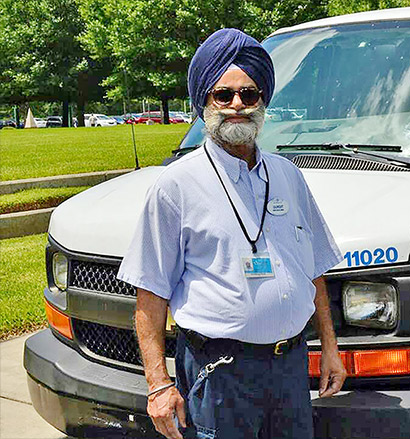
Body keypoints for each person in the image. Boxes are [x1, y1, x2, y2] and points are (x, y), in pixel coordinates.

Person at [117, 28, 346, 439]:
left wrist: (329, 347)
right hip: (220, 375)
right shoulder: (176, 186)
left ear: (263, 103)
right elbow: (150, 292)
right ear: (204, 102)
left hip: (290, 368)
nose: (237, 105)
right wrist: (158, 384)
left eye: (249, 94)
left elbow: (314, 270)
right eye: (223, 95)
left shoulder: (288, 176)